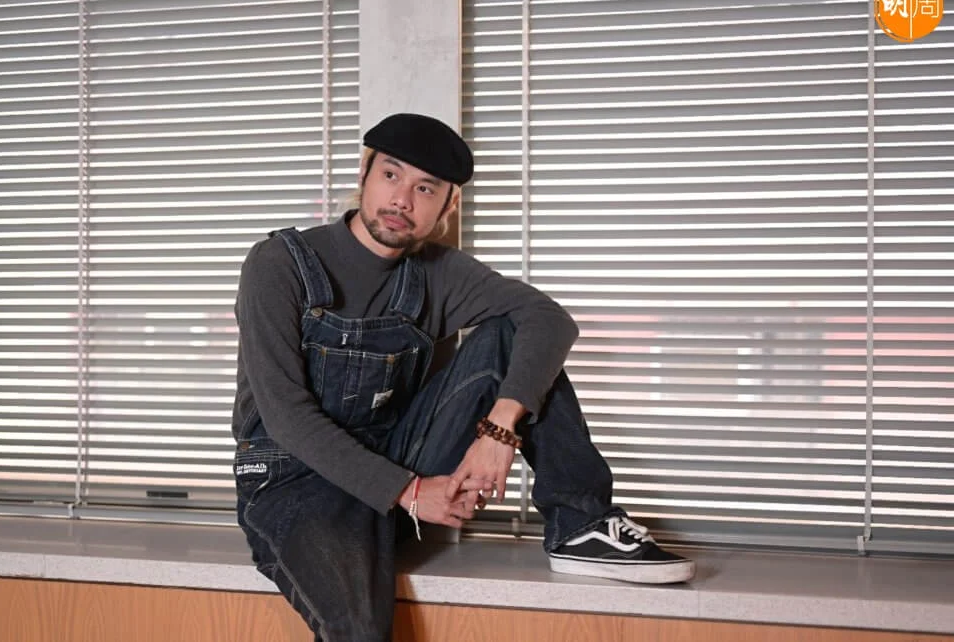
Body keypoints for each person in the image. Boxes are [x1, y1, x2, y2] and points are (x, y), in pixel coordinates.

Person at [231, 112, 695, 641]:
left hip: (396, 462)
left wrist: (499, 431)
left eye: (425, 188)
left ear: (448, 205)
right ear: (364, 173)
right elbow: (286, 417)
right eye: (390, 175)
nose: (402, 199)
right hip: (295, 483)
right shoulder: (280, 263)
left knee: (515, 331)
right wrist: (410, 491)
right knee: (358, 630)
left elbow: (549, 320)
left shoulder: (439, 272)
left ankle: (580, 523)